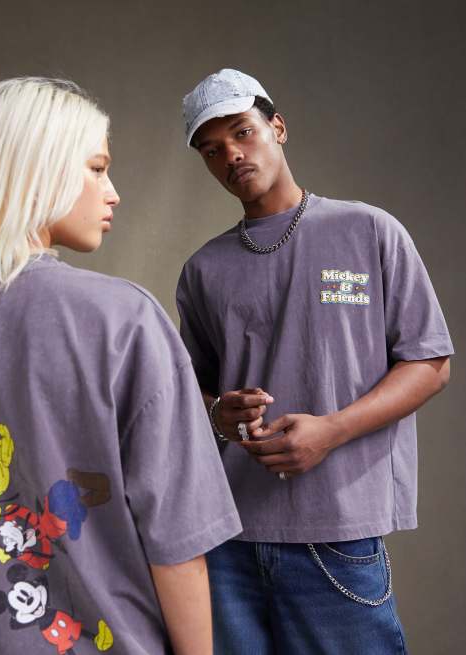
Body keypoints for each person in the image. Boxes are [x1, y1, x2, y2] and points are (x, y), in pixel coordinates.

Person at [0, 76, 241, 655]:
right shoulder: (123, 320)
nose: (113, 194)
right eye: (96, 168)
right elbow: (178, 542)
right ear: (39, 171)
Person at [177, 68, 453, 654]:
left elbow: (429, 363)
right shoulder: (204, 269)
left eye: (243, 132)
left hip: (336, 531)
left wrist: (331, 431)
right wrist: (219, 413)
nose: (232, 155)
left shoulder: (368, 230)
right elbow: (188, 396)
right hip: (227, 538)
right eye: (212, 149)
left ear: (277, 128)